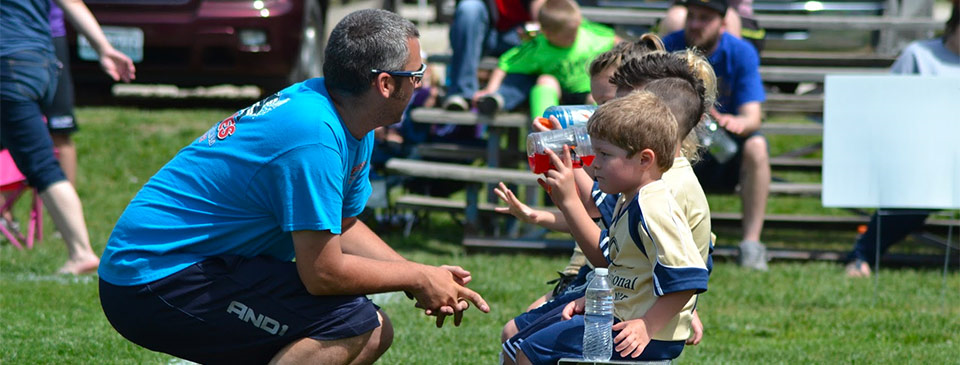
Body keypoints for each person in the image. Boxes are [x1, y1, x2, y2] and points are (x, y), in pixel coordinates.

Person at [97, 9, 489, 365]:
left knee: (372, 331)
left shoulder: (350, 116)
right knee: (355, 324)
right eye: (416, 75)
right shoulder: (314, 136)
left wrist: (417, 274)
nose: (421, 85)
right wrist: (418, 277)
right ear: (385, 84)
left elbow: (343, 222)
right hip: (152, 277)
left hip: (194, 265)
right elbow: (322, 274)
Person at [498, 47, 716, 351]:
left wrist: (676, 312)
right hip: (617, 300)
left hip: (632, 319)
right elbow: (627, 251)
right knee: (516, 338)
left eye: (614, 103)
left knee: (519, 345)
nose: (604, 112)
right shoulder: (648, 178)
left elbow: (682, 267)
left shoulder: (661, 188)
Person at [1, 0, 135, 274]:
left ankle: (80, 251)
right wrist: (104, 48)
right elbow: (71, 3)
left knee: (41, 166)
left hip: (8, 63)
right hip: (43, 63)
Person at [844, 0, 960, 278]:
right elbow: (890, 111)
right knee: (910, 193)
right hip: (925, 165)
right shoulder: (919, 55)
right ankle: (862, 257)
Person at [663, 0, 771, 271]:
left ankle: (751, 245)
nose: (696, 24)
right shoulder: (668, 46)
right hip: (677, 142)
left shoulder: (741, 52)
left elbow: (752, 117)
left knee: (757, 146)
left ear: (723, 24)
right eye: (692, 16)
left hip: (722, 146)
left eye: (704, 18)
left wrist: (734, 121)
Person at [472, 0, 617, 120]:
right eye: (567, 35)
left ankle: (598, 131)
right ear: (547, 34)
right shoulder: (537, 47)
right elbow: (505, 64)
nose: (573, 37)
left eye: (575, 32)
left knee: (598, 96)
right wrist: (490, 90)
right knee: (545, 80)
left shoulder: (591, 36)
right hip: (559, 96)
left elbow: (621, 44)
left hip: (587, 94)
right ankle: (545, 129)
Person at [443, 0, 546, 110]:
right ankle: (463, 93)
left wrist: (540, 25)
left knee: (535, 51)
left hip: (521, 32)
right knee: (469, 8)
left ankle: (498, 98)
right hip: (485, 28)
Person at [45, 2, 80, 186]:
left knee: (60, 131)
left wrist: (103, 47)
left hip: (51, 37)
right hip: (9, 41)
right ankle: (5, 212)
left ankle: (68, 212)